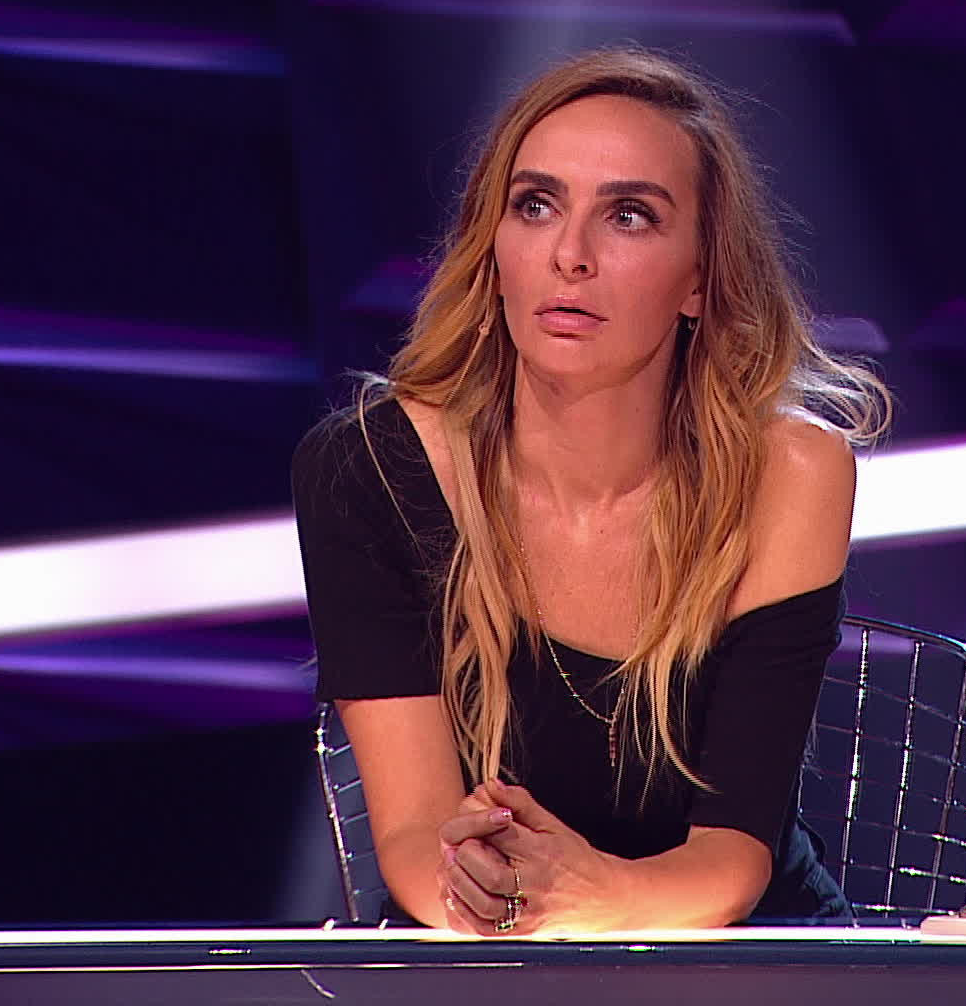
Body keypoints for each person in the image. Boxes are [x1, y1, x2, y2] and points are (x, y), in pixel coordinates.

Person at [292, 47, 886, 935]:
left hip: (733, 949)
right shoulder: (368, 471)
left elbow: (732, 859)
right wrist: (484, 900)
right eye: (536, 206)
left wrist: (586, 896)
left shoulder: (789, 473)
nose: (569, 255)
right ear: (494, 249)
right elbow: (415, 834)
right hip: (489, 951)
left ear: (699, 279)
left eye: (629, 217)